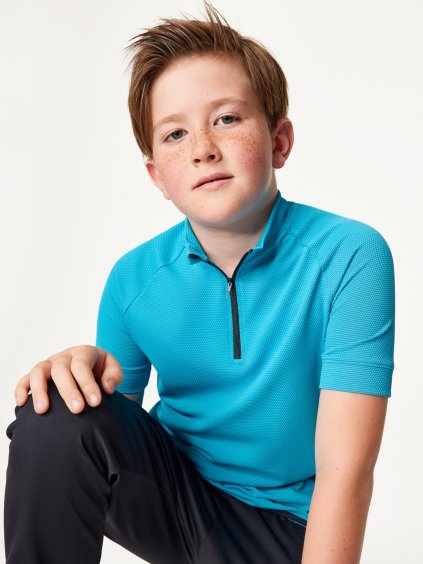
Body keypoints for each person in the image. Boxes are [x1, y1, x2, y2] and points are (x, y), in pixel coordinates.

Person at [4, 1, 395, 563]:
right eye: (174, 134)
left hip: (289, 530)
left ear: (280, 141)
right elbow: (100, 441)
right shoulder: (133, 279)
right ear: (157, 177)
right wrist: (77, 374)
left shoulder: (348, 255)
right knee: (57, 411)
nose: (202, 148)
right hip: (181, 507)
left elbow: (346, 468)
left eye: (227, 119)